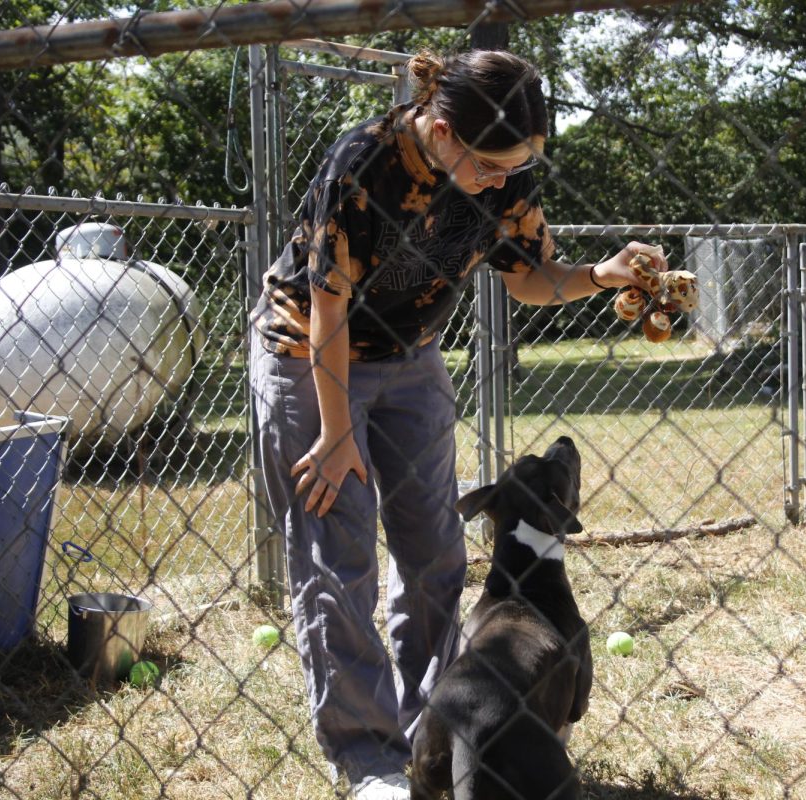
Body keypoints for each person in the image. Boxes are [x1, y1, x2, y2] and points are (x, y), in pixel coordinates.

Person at [248, 49, 667, 800]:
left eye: (516, 168)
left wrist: (600, 275)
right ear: (440, 132)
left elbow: (532, 277)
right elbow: (328, 309)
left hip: (412, 354)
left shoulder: (505, 173)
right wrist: (337, 433)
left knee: (437, 553)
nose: (503, 181)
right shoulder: (364, 163)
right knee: (337, 556)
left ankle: (428, 738)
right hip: (311, 352)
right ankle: (367, 757)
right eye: (490, 166)